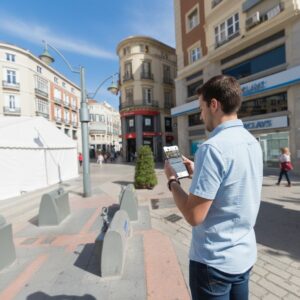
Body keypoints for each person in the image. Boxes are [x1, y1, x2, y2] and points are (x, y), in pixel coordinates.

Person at [164, 75, 263, 300]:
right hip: (244, 256)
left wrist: (172, 181)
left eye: (201, 108)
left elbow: (193, 215)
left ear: (214, 105)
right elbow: (233, 181)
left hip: (213, 263)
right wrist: (199, 169)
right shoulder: (252, 142)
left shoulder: (212, 148)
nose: (201, 115)